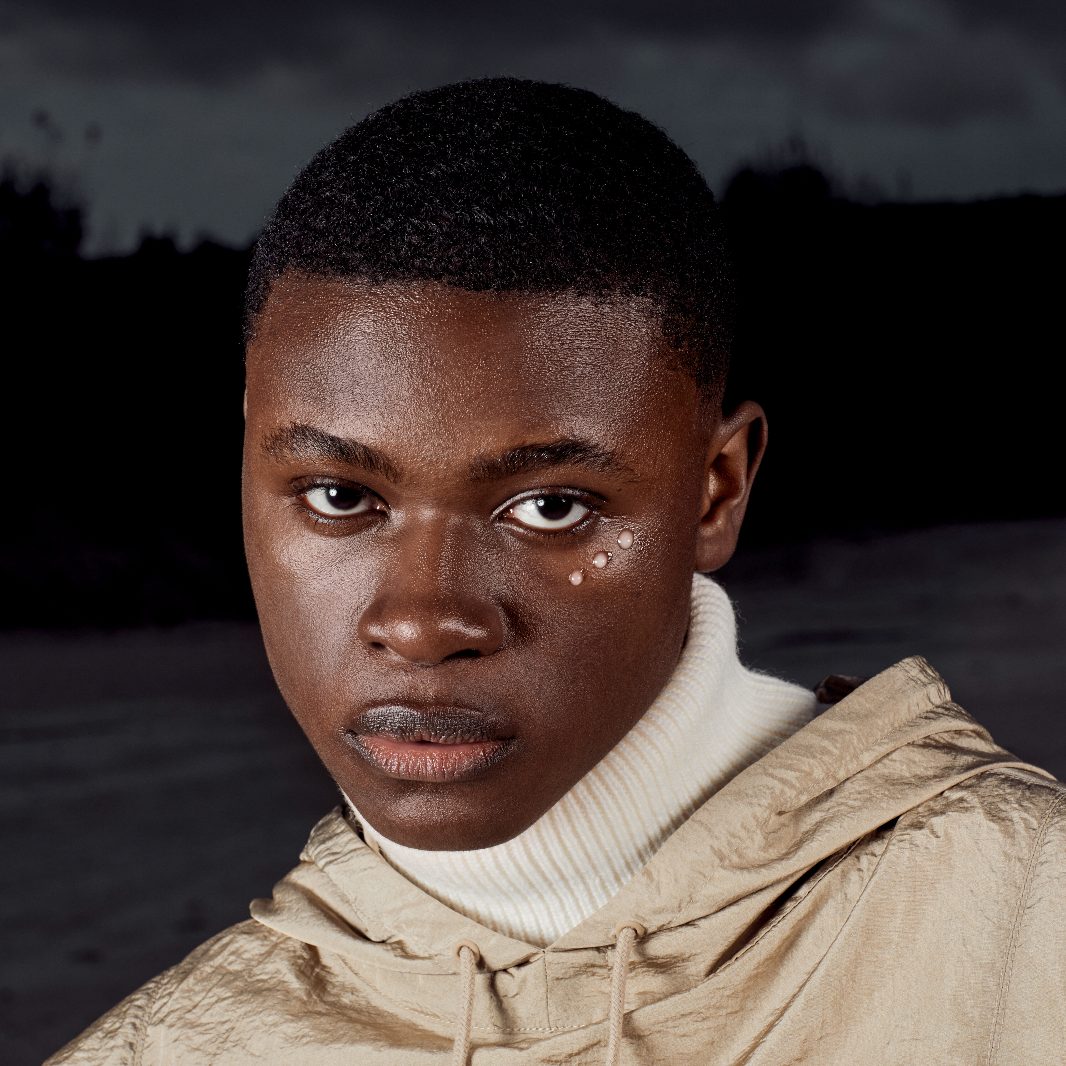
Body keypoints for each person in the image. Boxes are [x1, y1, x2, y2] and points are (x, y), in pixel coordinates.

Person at [48, 77, 1065, 1066]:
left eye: (549, 507)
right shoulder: (166, 1047)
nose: (421, 621)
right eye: (338, 497)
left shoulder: (1026, 922)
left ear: (714, 489)